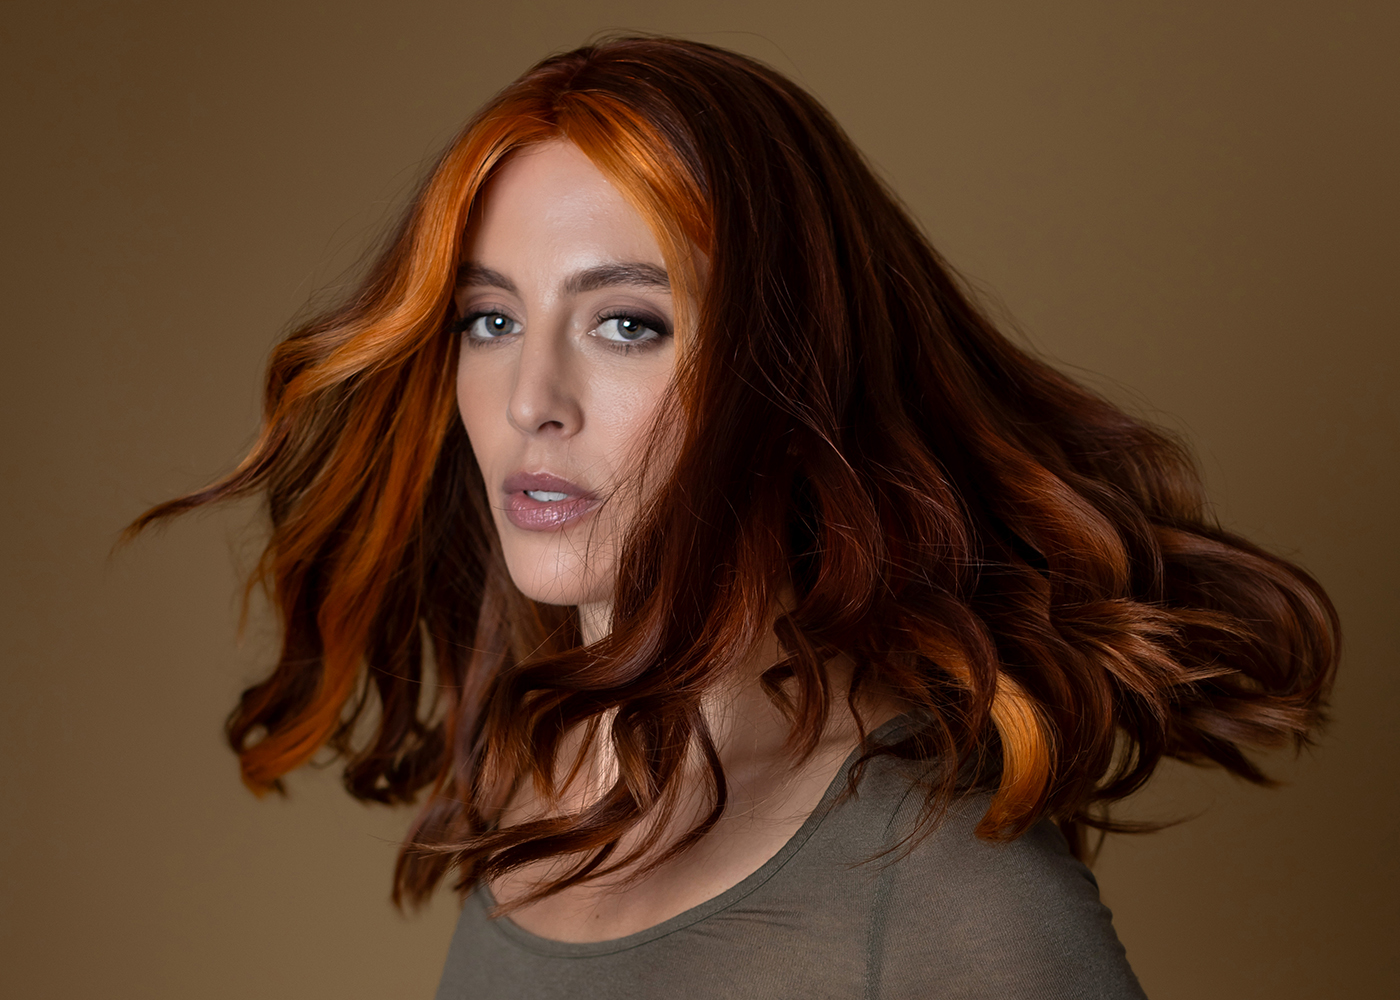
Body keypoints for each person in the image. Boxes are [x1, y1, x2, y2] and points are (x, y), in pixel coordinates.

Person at [131, 36, 1339, 998]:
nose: (529, 402)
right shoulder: (539, 762)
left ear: (785, 371)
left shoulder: (936, 888)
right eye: (489, 320)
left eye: (627, 323)